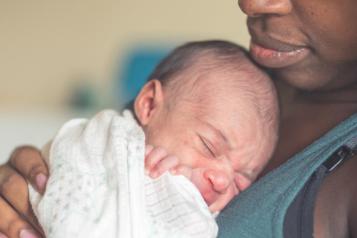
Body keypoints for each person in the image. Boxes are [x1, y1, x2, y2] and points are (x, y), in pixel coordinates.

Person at [1, 0, 357, 237]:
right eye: (208, 144)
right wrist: (22, 190)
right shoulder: (220, 81)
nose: (250, 3)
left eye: (243, 183)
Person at [0, 40, 279, 238]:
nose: (222, 181)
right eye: (208, 145)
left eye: (242, 180)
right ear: (148, 105)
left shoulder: (210, 215)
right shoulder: (111, 140)